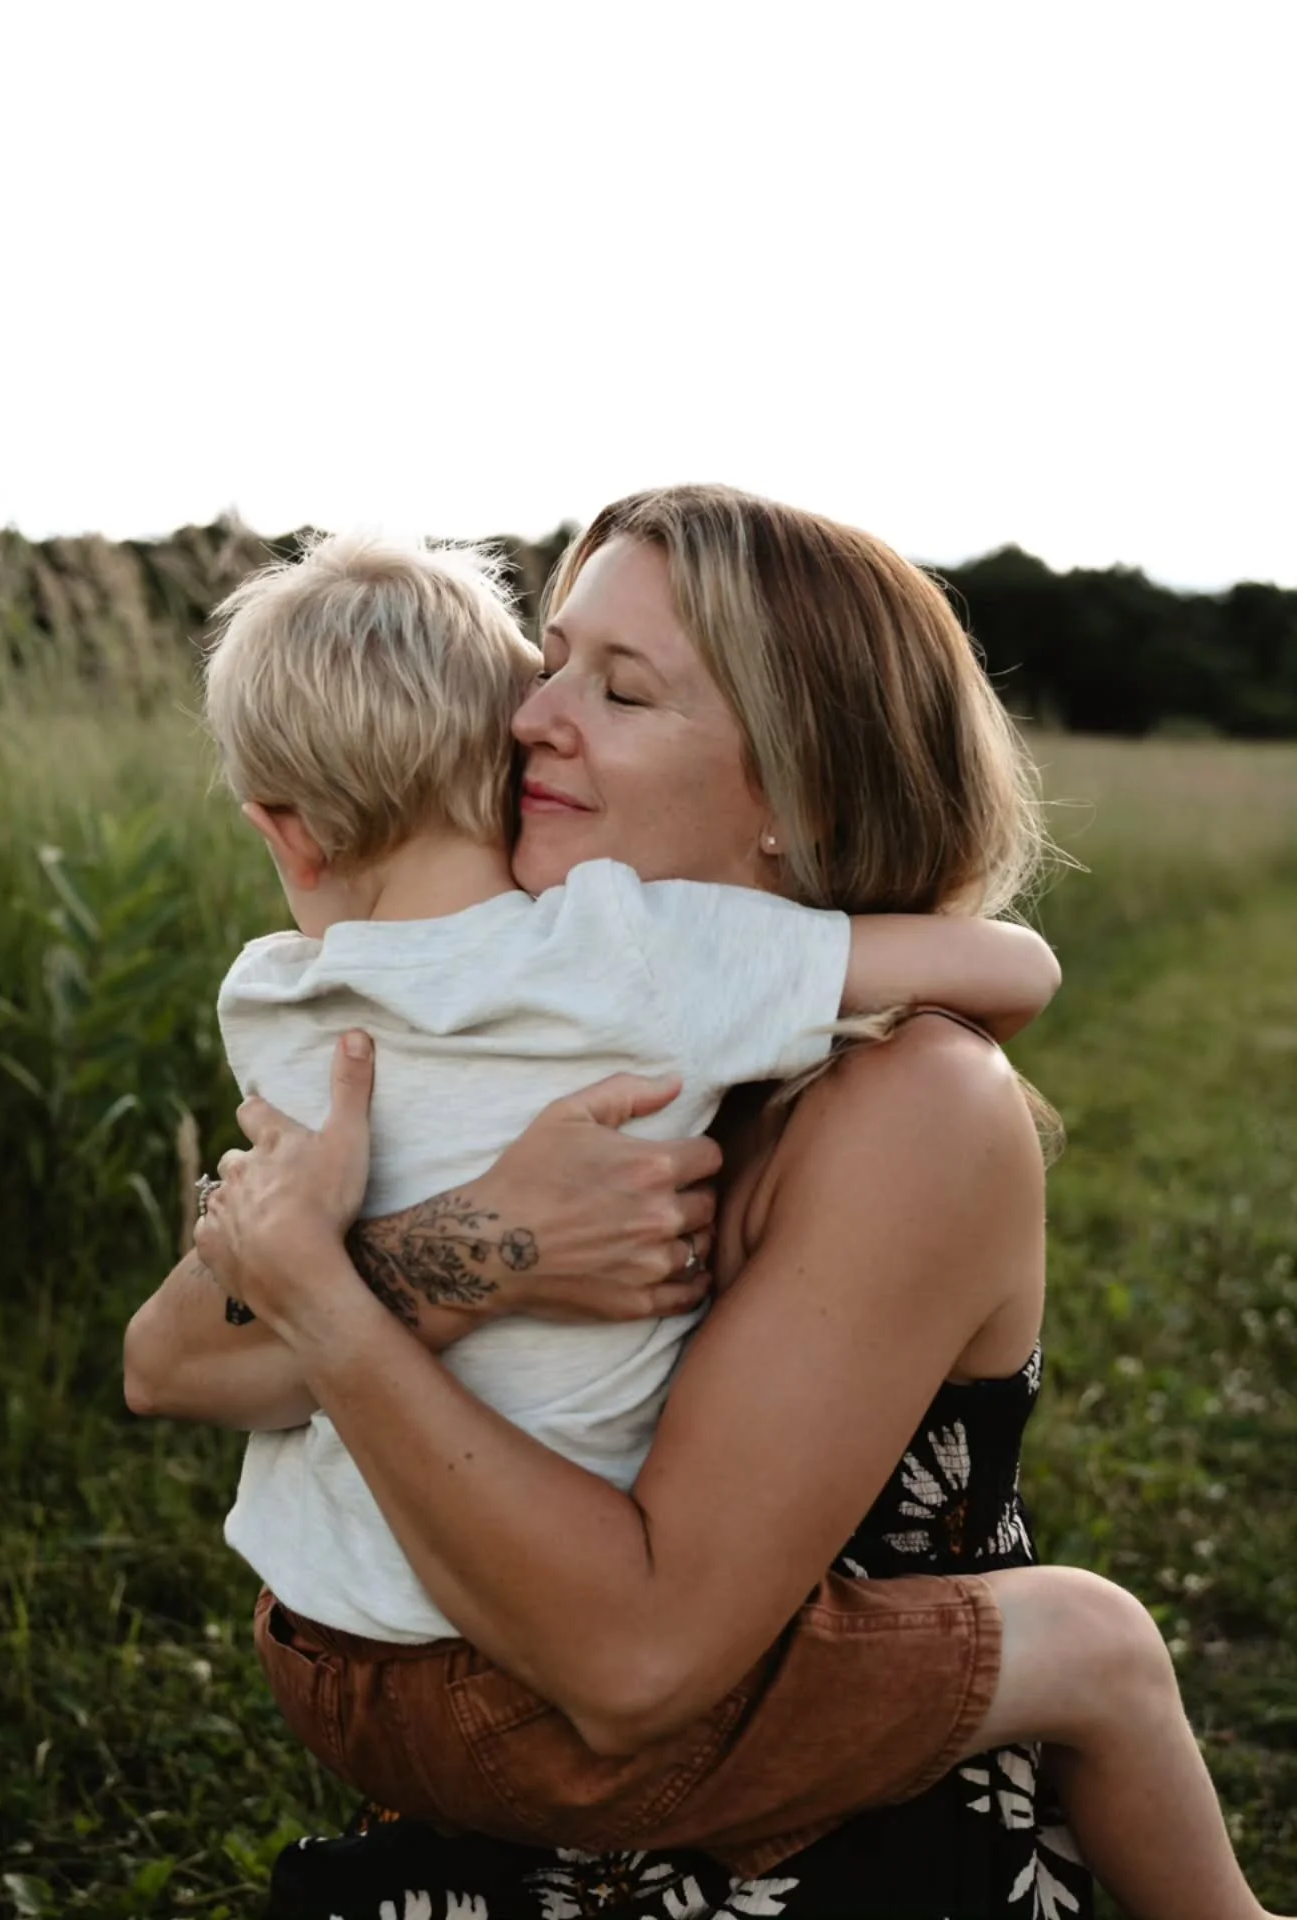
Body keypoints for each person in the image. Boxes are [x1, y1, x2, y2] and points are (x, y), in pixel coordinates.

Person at [129, 489, 1281, 1920]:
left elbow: (633, 1676)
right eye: (548, 662)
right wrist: (499, 1245)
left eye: (621, 690)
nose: (532, 718)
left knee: (1094, 1642)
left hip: (823, 1846)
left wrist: (340, 1293)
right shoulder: (515, 1026)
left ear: (799, 809)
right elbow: (169, 1361)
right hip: (531, 1809)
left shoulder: (910, 1101)